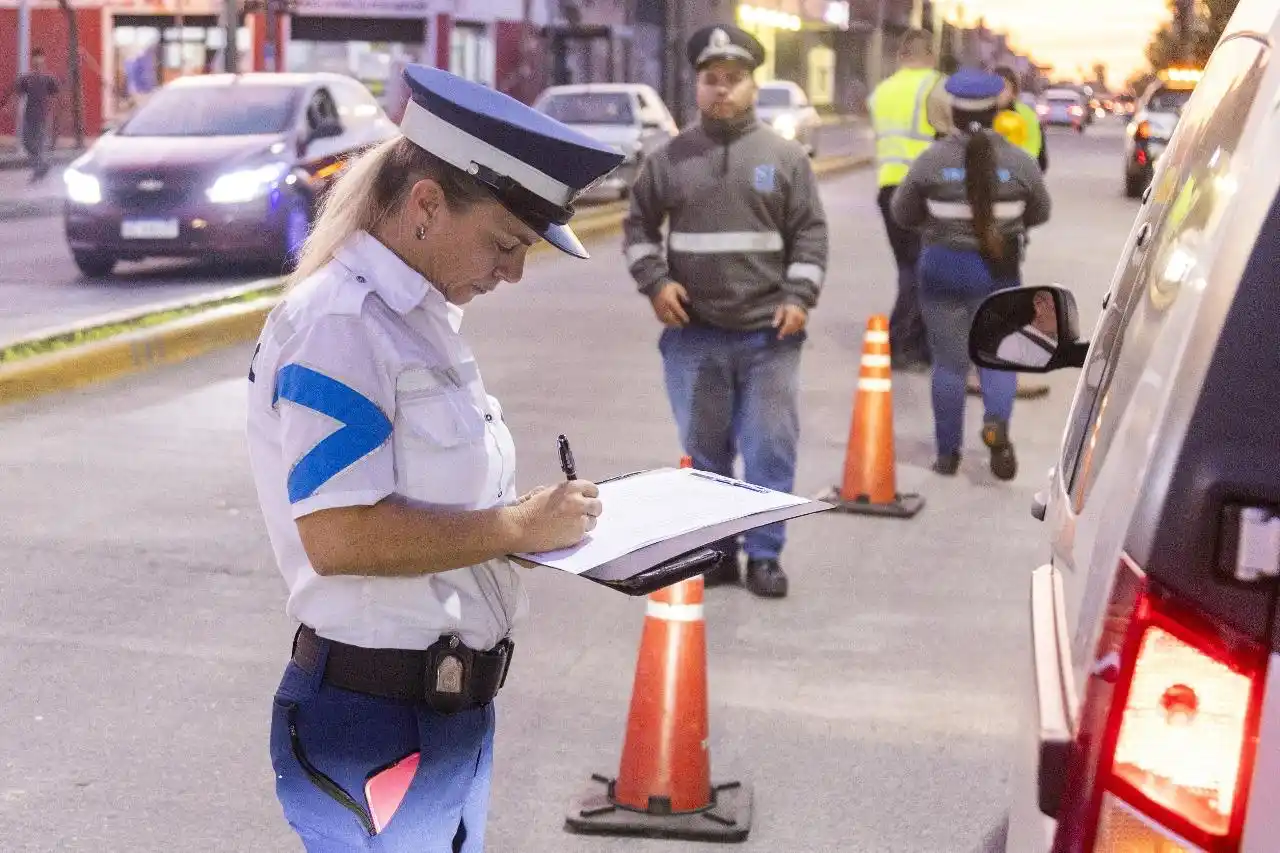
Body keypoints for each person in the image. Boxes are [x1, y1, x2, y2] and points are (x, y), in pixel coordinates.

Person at [244, 64, 622, 852]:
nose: (514, 271)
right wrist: (516, 526)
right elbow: (340, 534)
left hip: (441, 717)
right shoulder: (342, 325)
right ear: (426, 204)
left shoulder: (417, 316)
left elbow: (447, 508)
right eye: (505, 243)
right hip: (375, 721)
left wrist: (532, 531)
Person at [622, 25, 828, 599]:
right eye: (712, 80)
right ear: (697, 86)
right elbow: (637, 226)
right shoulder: (669, 160)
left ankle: (765, 556)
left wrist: (799, 297)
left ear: (752, 87)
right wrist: (655, 282)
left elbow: (810, 234)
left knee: (768, 451)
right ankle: (718, 554)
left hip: (769, 336)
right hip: (694, 336)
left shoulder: (784, 158)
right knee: (706, 453)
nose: (722, 91)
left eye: (733, 80)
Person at [890, 69, 1051, 480]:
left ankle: (947, 455)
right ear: (998, 109)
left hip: (942, 266)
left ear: (953, 111)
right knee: (996, 359)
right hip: (998, 270)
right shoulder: (1019, 162)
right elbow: (1040, 212)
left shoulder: (931, 161)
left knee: (949, 364)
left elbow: (902, 213)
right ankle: (996, 423)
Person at [869, 30, 952, 372]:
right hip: (923, 188)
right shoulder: (938, 86)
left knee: (909, 266)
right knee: (924, 269)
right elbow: (949, 134)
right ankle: (903, 343)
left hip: (888, 187)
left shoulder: (882, 91)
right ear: (931, 55)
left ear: (901, 55)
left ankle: (910, 341)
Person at [1, 48, 60, 182]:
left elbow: (57, 97)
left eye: (39, 57)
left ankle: (37, 171)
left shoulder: (49, 78)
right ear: (32, 60)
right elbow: (17, 95)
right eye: (35, 57)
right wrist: (9, 109)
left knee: (38, 145)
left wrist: (55, 114)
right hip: (29, 116)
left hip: (43, 116)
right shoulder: (26, 79)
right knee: (27, 143)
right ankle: (42, 166)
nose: (37, 60)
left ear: (44, 60)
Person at [994, 66, 1047, 173]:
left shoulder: (1026, 115)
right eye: (993, 87)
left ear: (1014, 92)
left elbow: (1034, 153)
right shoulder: (982, 113)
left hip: (1020, 173)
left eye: (1003, 87)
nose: (998, 92)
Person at [995, 290, 1059, 367]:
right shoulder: (1014, 344)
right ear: (1039, 307)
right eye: (1057, 309)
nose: (1065, 316)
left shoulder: (1063, 339)